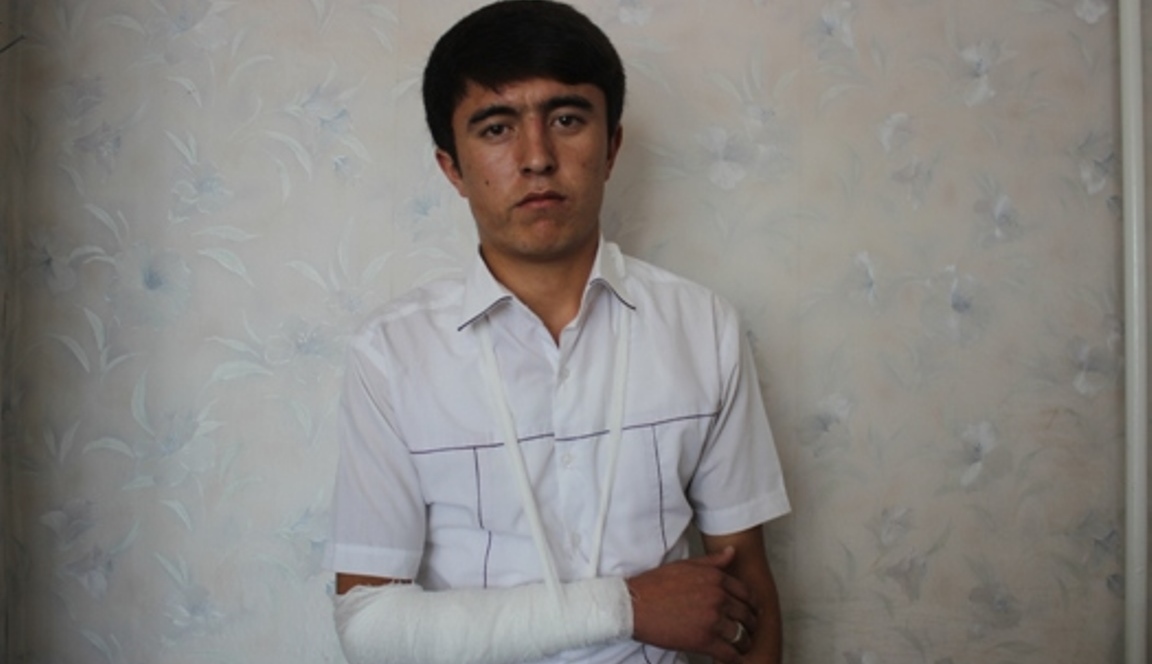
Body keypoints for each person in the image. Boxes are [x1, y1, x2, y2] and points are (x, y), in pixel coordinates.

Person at [324, 2, 790, 662]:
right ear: (452, 167)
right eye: (496, 128)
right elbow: (370, 628)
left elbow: (745, 590)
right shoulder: (391, 355)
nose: (537, 157)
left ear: (612, 147)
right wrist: (624, 607)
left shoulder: (702, 327)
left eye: (567, 119)